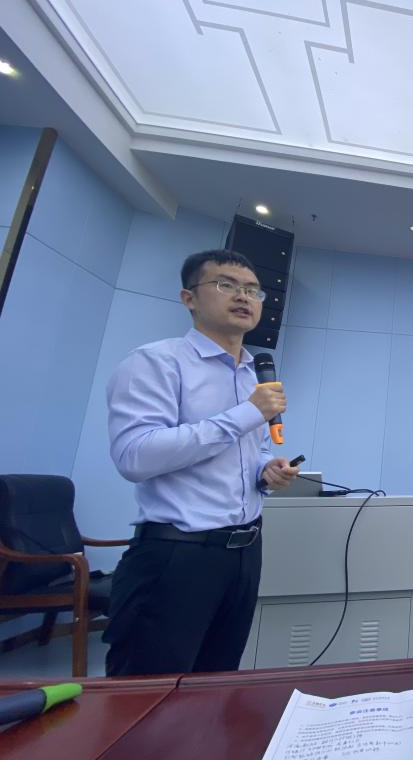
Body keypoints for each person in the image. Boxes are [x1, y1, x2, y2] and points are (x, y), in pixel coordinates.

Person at [103, 249, 300, 676]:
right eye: (226, 285)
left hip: (244, 555)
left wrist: (266, 471)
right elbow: (135, 455)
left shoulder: (254, 374)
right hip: (176, 556)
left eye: (253, 290)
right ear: (188, 298)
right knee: (150, 691)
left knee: (216, 683)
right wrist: (247, 413)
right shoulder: (155, 362)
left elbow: (250, 451)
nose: (243, 296)